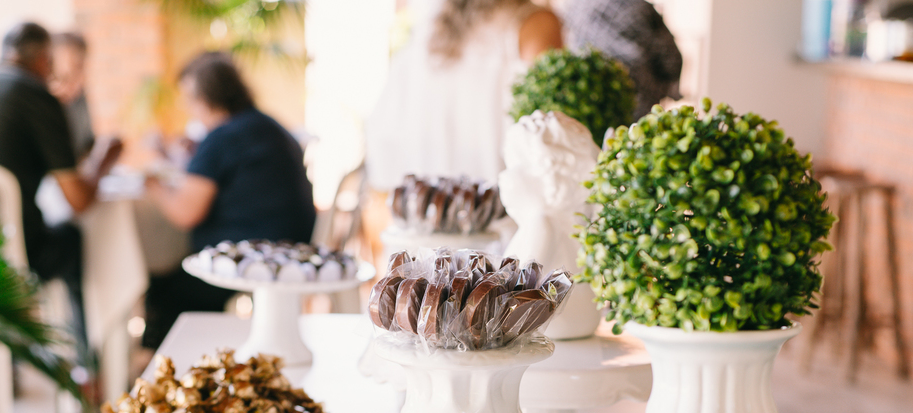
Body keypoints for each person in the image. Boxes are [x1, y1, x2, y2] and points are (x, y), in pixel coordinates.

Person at [0, 21, 123, 365]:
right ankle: (87, 365)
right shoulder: (34, 94)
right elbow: (78, 200)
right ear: (46, 60)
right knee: (73, 239)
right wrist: (103, 162)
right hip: (4, 259)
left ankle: (10, 365)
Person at [143, 51, 316, 348]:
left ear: (205, 99)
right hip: (296, 245)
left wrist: (154, 186)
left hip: (254, 255)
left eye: (189, 99)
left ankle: (172, 363)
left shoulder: (222, 137)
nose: (187, 108)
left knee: (164, 290)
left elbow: (186, 213)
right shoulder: (268, 126)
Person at [364, 0, 563, 191]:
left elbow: (383, 148)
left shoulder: (423, 33)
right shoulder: (536, 26)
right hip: (498, 209)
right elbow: (552, 147)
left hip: (426, 207)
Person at [561, 0, 682, 120]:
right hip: (637, 110)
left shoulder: (575, 6)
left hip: (585, 108)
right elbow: (672, 62)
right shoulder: (639, 6)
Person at [49, 31, 95, 161]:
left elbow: (87, 145)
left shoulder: (79, 98)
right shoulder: (40, 102)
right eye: (61, 78)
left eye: (79, 67)